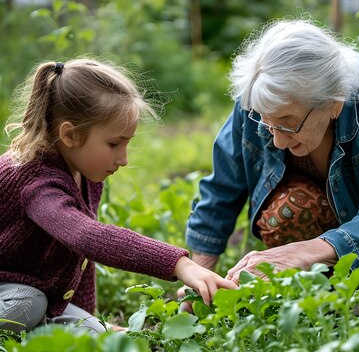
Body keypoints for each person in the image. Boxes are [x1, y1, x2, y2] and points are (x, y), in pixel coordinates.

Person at [185, 18, 359, 283]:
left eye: (288, 124)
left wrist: (302, 253)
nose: (279, 142)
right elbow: (222, 188)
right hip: (316, 212)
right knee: (286, 213)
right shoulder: (258, 98)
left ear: (334, 103)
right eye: (267, 123)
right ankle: (322, 296)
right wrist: (200, 277)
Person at [0, 58, 235, 334]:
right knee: (28, 305)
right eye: (114, 144)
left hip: (34, 293)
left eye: (127, 143)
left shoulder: (83, 171)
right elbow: (86, 236)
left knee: (100, 333)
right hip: (19, 294)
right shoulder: (37, 183)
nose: (123, 159)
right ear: (70, 135)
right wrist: (180, 264)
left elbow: (81, 258)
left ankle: (37, 334)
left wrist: (90, 318)